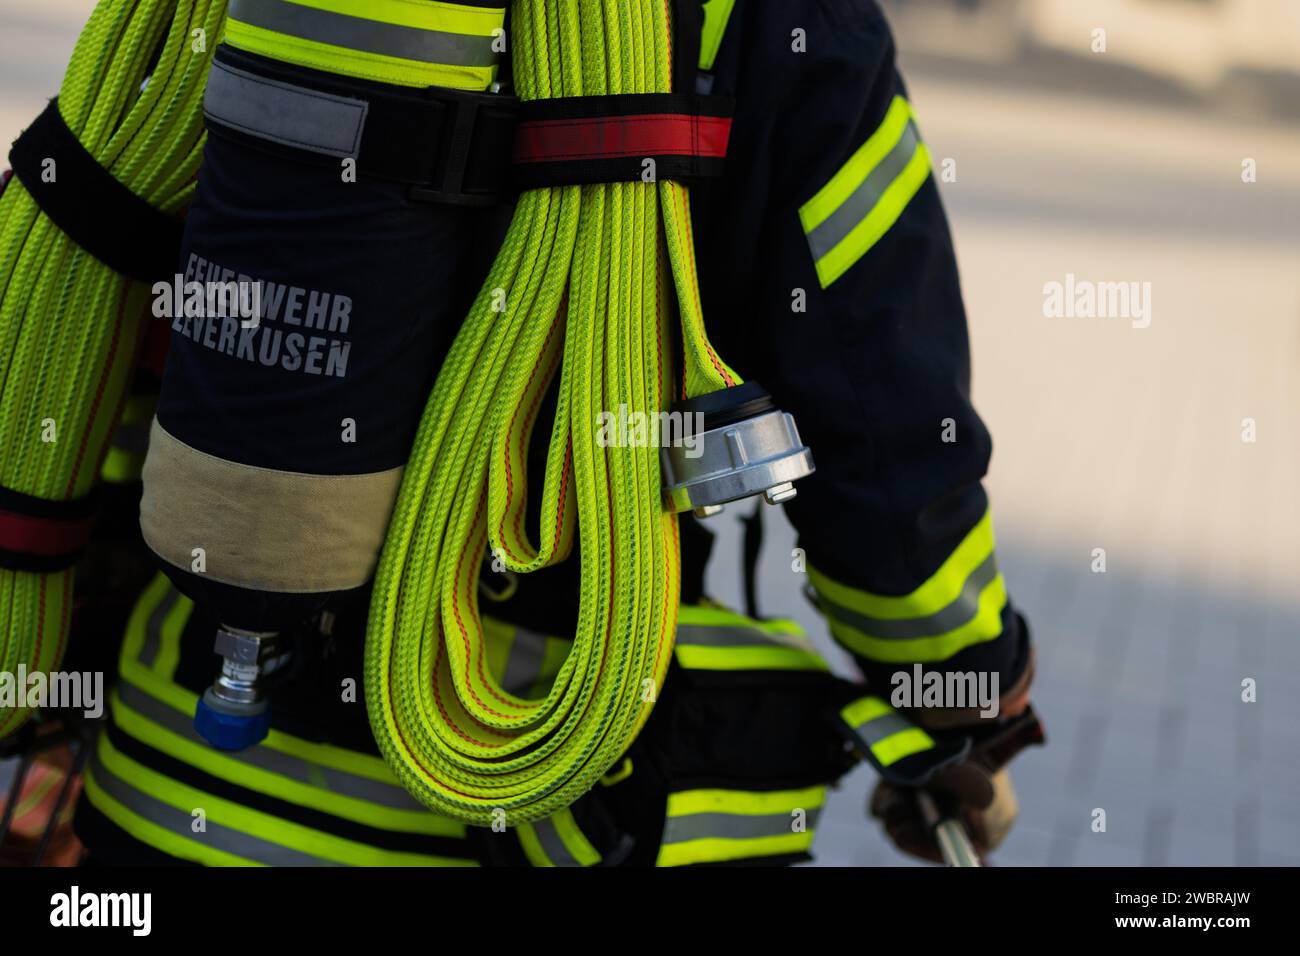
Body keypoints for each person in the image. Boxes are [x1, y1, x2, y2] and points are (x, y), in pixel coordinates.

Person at [62, 0, 1038, 867]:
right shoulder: (768, 22)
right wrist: (966, 707)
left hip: (172, 770)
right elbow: (887, 454)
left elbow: (112, 293)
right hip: (522, 791)